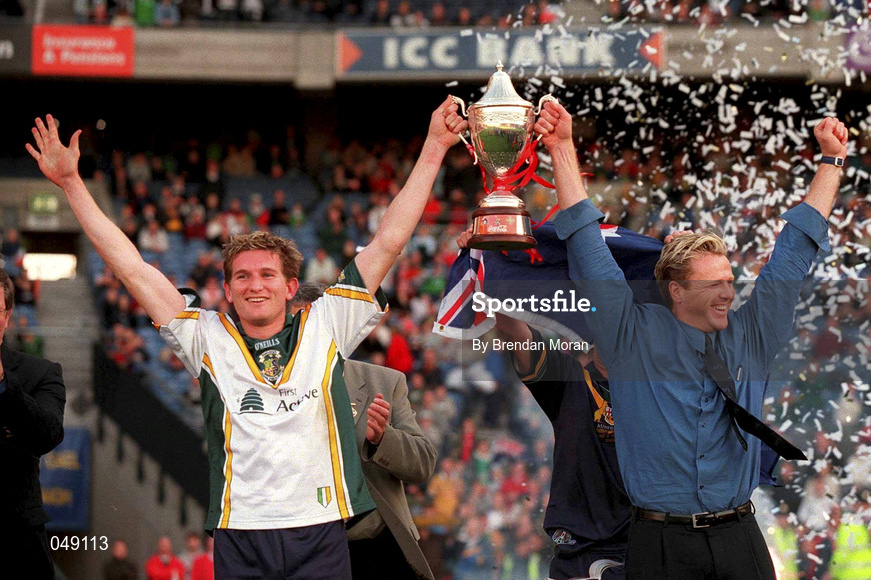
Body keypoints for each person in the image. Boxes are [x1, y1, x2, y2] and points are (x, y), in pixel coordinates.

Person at [25, 102, 466, 580]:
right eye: (242, 276)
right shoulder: (206, 336)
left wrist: (435, 145)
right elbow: (131, 267)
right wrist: (73, 184)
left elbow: (388, 241)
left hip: (319, 529)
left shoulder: (328, 323)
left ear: (291, 286)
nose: (255, 285)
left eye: (267, 275)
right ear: (229, 289)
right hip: (241, 531)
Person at [535, 100, 847, 579]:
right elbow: (586, 245)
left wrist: (831, 162)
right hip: (658, 545)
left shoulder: (753, 334)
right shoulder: (629, 336)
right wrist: (562, 148)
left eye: (729, 280)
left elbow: (794, 252)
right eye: (714, 284)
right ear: (676, 291)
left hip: (740, 537)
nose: (728, 292)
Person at [455, 230, 628, 580]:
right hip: (581, 548)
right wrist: (493, 264)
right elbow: (516, 332)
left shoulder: (658, 379)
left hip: (650, 539)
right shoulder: (568, 376)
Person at [290, 284, 438, 580]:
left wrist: (383, 439)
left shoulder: (383, 382)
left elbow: (423, 463)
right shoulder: (268, 394)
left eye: (314, 324)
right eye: (293, 327)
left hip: (378, 550)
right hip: (306, 554)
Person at [0, 268, 66, 580]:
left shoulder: (39, 373)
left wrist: (3, 382)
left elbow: (48, 435)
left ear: (7, 316)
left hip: (17, 543)